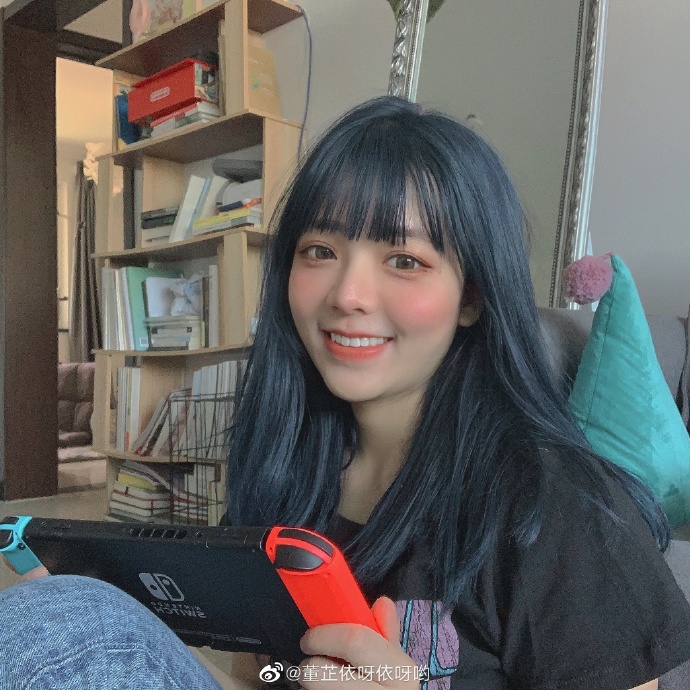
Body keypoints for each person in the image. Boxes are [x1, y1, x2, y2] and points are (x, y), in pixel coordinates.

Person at [2, 96, 689, 690]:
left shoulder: (561, 506)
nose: (347, 294)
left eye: (404, 260)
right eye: (319, 251)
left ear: (472, 297)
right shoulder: (284, 466)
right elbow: (264, 678)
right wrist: (109, 634)